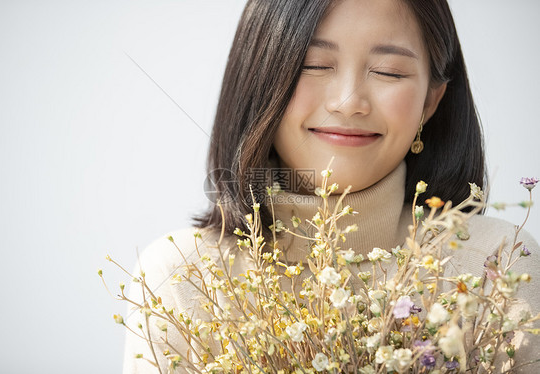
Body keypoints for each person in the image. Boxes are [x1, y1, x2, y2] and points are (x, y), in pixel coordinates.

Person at [122, 0, 540, 372]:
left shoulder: (497, 268)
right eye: (315, 64)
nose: (348, 100)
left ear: (430, 103)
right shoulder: (181, 279)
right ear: (258, 77)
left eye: (388, 71)